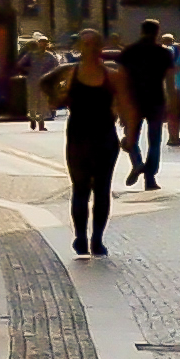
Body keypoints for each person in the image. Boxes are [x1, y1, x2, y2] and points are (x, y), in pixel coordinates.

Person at [63, 32, 137, 255]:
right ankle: (81, 237)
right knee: (81, 188)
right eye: (86, 44)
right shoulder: (71, 73)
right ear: (80, 47)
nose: (91, 48)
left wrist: (131, 135)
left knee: (102, 189)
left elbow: (126, 105)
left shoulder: (112, 76)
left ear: (101, 47)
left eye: (94, 44)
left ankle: (96, 238)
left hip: (104, 137)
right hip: (78, 136)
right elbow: (63, 98)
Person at [120, 22, 174, 192]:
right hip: (156, 99)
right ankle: (150, 178)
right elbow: (169, 81)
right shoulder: (163, 53)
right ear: (157, 32)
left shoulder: (129, 51)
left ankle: (137, 163)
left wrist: (121, 104)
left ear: (141, 30)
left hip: (133, 100)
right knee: (155, 141)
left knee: (130, 137)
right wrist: (171, 102)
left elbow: (122, 79)